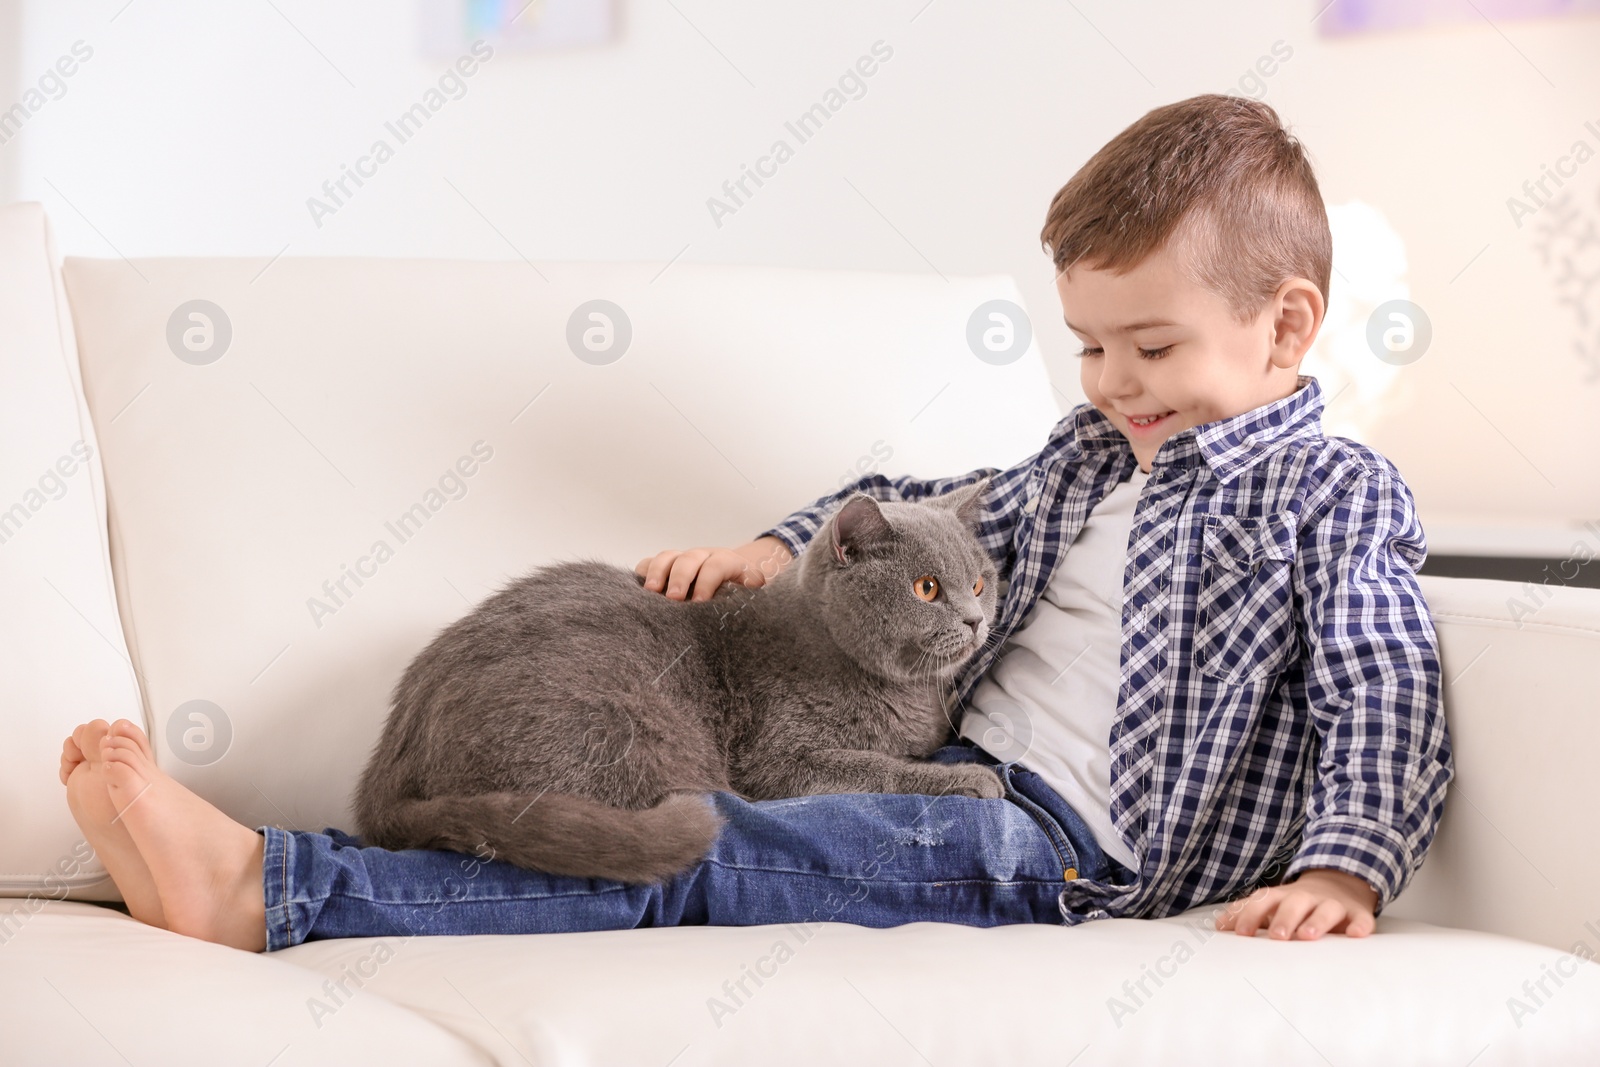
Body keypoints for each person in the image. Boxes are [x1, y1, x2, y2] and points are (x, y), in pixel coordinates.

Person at [59, 93, 1452, 954]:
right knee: (676, 814)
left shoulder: (1330, 495)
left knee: (698, 854)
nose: (1114, 386)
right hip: (954, 769)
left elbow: (1381, 685)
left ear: (1287, 328)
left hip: (1065, 849)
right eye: (1090, 348)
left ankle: (273, 891)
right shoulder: (1088, 458)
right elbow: (913, 515)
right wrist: (778, 552)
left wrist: (1347, 863)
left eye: (1149, 347)